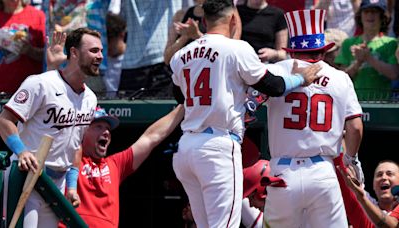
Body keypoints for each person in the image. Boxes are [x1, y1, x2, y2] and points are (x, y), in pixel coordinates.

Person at [169, 0, 322, 227]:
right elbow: (274, 86)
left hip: (186, 149)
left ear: (203, 20)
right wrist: (302, 78)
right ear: (233, 19)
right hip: (217, 146)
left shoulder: (181, 54)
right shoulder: (237, 48)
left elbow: (180, 97)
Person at [263, 9, 363, 227]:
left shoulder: (275, 71)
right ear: (322, 51)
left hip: (283, 173)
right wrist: (351, 159)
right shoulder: (340, 77)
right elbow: (355, 127)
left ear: (291, 51)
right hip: (323, 172)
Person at [0, 27, 102, 227]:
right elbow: (4, 120)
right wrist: (21, 151)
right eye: (94, 51)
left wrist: (72, 186)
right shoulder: (40, 83)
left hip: (57, 183)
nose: (100, 56)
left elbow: (76, 145)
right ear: (74, 52)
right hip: (26, 176)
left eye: (100, 51)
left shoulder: (90, 97)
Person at [73, 105, 184, 228]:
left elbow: (151, 137)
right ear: (82, 131)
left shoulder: (115, 164)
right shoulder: (67, 159)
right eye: (98, 126)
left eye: (108, 129)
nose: (106, 132)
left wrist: (184, 105)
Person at [335, 0, 399, 101]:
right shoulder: (348, 43)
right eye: (366, 11)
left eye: (374, 12)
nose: (370, 15)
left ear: (382, 17)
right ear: (360, 16)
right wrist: (358, 63)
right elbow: (340, 80)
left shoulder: (391, 43)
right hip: (353, 103)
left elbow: (394, 74)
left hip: (382, 104)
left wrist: (369, 58)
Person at [0, 0, 45, 94]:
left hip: (31, 92)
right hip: (2, 91)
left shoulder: (38, 15)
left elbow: (47, 56)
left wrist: (30, 50)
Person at [337, 160, 399, 228]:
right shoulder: (361, 207)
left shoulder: (362, 198)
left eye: (389, 174)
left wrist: (362, 197)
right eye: (379, 175)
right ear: (373, 186)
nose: (383, 177)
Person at [102, 12, 126, 98]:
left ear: (121, 35)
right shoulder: (98, 60)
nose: (106, 45)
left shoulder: (131, 62)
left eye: (109, 39)